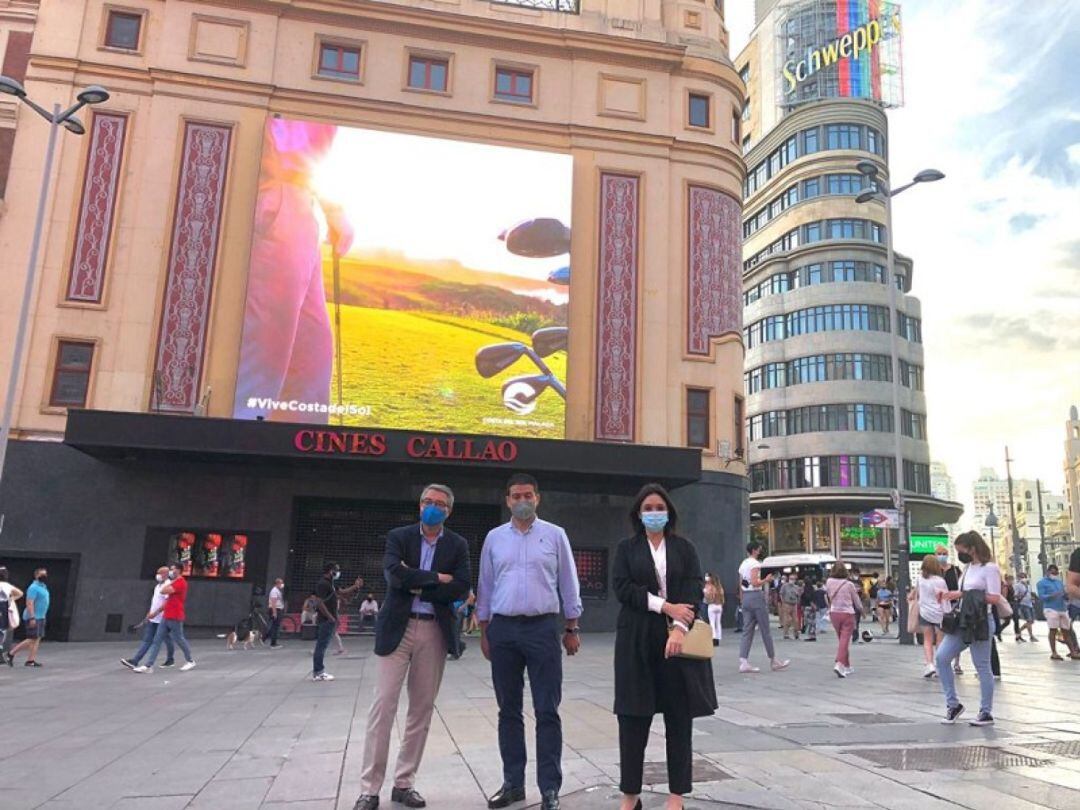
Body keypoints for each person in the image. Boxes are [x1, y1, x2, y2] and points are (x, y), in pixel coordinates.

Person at [352, 484, 471, 810]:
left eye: (440, 504)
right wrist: (438, 579)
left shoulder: (458, 544)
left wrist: (419, 584)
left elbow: (461, 586)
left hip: (434, 632)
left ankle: (404, 783)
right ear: (419, 506)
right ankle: (369, 789)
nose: (433, 507)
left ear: (449, 510)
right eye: (428, 502)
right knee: (384, 707)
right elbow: (394, 576)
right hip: (398, 630)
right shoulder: (399, 537)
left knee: (421, 710)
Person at [233, 118, 355, 422]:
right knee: (262, 359)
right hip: (276, 198)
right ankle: (236, 449)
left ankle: (304, 460)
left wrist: (331, 208)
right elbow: (287, 143)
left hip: (299, 203)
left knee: (312, 357)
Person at [478, 473, 582, 810]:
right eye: (515, 496)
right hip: (503, 630)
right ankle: (513, 784)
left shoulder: (555, 535)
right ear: (507, 500)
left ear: (538, 497)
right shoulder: (494, 538)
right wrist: (484, 630)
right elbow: (486, 585)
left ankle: (550, 788)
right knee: (508, 710)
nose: (521, 501)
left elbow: (568, 581)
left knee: (547, 710)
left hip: (542, 630)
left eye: (527, 495)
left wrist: (572, 627)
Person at [613, 484, 717, 810]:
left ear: (669, 512)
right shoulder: (626, 548)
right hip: (636, 641)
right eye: (648, 507)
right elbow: (623, 588)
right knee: (632, 718)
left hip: (678, 643)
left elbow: (692, 589)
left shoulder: (684, 548)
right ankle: (630, 794)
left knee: (678, 718)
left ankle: (676, 796)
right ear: (638, 513)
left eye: (660, 507)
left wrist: (679, 627)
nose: (654, 513)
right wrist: (666, 607)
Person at [934, 531, 1004, 726]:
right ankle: (953, 704)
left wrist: (969, 594)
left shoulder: (989, 568)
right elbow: (965, 593)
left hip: (981, 620)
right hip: (964, 620)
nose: (959, 554)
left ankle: (986, 711)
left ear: (972, 548)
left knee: (982, 665)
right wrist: (950, 595)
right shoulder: (967, 568)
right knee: (941, 657)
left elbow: (994, 597)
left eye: (961, 550)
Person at [134, 561, 197, 673]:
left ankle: (190, 660)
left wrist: (170, 581)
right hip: (167, 615)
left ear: (179, 570)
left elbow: (163, 591)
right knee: (157, 640)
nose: (171, 572)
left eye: (173, 569)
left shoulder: (181, 583)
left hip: (176, 615)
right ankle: (149, 666)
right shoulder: (174, 582)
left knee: (179, 638)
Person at [737, 541, 789, 673]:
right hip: (755, 596)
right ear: (754, 550)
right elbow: (755, 582)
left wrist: (742, 600)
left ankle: (743, 660)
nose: (760, 551)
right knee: (765, 629)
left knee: (747, 630)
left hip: (746, 598)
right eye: (759, 549)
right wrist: (766, 580)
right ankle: (773, 660)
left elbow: (741, 583)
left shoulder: (743, 564)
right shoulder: (755, 564)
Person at [312, 562, 363, 681]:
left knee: (322, 645)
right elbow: (319, 602)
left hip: (329, 619)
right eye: (337, 570)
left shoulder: (330, 583)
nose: (338, 572)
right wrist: (330, 617)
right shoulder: (323, 584)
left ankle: (319, 671)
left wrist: (355, 586)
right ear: (331, 571)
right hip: (325, 620)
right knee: (321, 646)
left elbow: (342, 592)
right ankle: (318, 672)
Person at [120, 567, 175, 670]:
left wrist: (155, 613)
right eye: (157, 573)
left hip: (163, 619)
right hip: (153, 619)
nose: (157, 575)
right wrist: (149, 614)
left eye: (160, 573)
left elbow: (167, 603)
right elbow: (155, 602)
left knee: (163, 640)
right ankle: (135, 661)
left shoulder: (168, 585)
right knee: (148, 640)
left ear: (166, 574)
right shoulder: (157, 587)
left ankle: (168, 659)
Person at [1036, 564, 1080, 661]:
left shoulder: (1059, 582)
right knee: (1053, 630)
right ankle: (1054, 653)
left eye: (1056, 572)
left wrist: (1067, 596)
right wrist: (1054, 595)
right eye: (1053, 572)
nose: (1054, 574)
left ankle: (1073, 652)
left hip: (1062, 608)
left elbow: (1064, 595)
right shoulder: (1041, 583)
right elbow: (1042, 597)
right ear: (1048, 572)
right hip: (1050, 608)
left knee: (1066, 630)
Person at [8, 567, 49, 667]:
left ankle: (30, 660)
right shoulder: (33, 587)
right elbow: (29, 603)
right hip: (34, 617)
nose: (44, 576)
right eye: (42, 575)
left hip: (41, 616)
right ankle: (11, 653)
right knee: (32, 638)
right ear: (36, 576)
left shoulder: (43, 586)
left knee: (37, 638)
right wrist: (32, 617)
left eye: (45, 574)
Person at [825, 562, 860, 677]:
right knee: (845, 640)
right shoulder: (849, 584)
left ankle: (847, 665)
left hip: (834, 612)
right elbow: (856, 600)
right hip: (847, 613)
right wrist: (861, 610)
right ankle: (839, 664)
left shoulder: (829, 582)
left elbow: (828, 596)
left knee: (842, 640)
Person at [915, 555, 947, 678]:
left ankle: (929, 665)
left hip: (924, 612)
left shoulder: (920, 580)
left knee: (927, 639)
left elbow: (917, 594)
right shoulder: (940, 581)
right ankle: (939, 666)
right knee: (940, 640)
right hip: (939, 613)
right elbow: (944, 597)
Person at [936, 545, 964, 675]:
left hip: (954, 605)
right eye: (939, 553)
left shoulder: (955, 570)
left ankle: (957, 663)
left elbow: (962, 585)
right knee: (940, 635)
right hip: (939, 606)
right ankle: (941, 662)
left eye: (944, 553)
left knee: (954, 633)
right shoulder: (934, 570)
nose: (942, 555)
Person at [0, 567, 24, 666]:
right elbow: (20, 593)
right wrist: (11, 599)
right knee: (2, 632)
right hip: (3, 609)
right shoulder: (7, 585)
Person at [263, 578, 286, 648]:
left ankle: (266, 637)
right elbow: (273, 602)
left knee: (274, 625)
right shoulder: (274, 591)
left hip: (277, 609)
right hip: (275, 609)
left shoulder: (277, 591)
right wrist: (274, 612)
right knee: (275, 626)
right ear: (277, 583)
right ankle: (272, 643)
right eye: (281, 583)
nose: (282, 585)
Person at [1013, 572, 1036, 641]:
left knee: (1031, 621)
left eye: (1024, 577)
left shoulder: (1028, 585)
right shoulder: (1017, 585)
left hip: (1030, 604)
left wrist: (1032, 598)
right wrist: (1020, 595)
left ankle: (1019, 630)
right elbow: (1015, 595)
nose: (1023, 578)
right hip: (1023, 604)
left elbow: (1029, 593)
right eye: (1021, 577)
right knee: (1029, 620)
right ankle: (1031, 636)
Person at [703, 573, 724, 646]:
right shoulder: (720, 588)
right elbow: (722, 599)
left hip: (712, 606)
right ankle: (718, 638)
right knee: (718, 623)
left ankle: (713, 638)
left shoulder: (710, 587)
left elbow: (708, 597)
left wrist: (705, 592)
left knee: (712, 622)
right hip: (719, 606)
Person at [778, 575, 800, 640]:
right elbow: (781, 594)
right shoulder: (784, 586)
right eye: (791, 579)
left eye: (793, 579)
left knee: (795, 620)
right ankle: (786, 634)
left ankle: (796, 634)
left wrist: (797, 598)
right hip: (787, 603)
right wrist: (783, 602)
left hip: (794, 604)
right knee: (787, 619)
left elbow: (798, 596)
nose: (792, 580)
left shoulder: (796, 587)